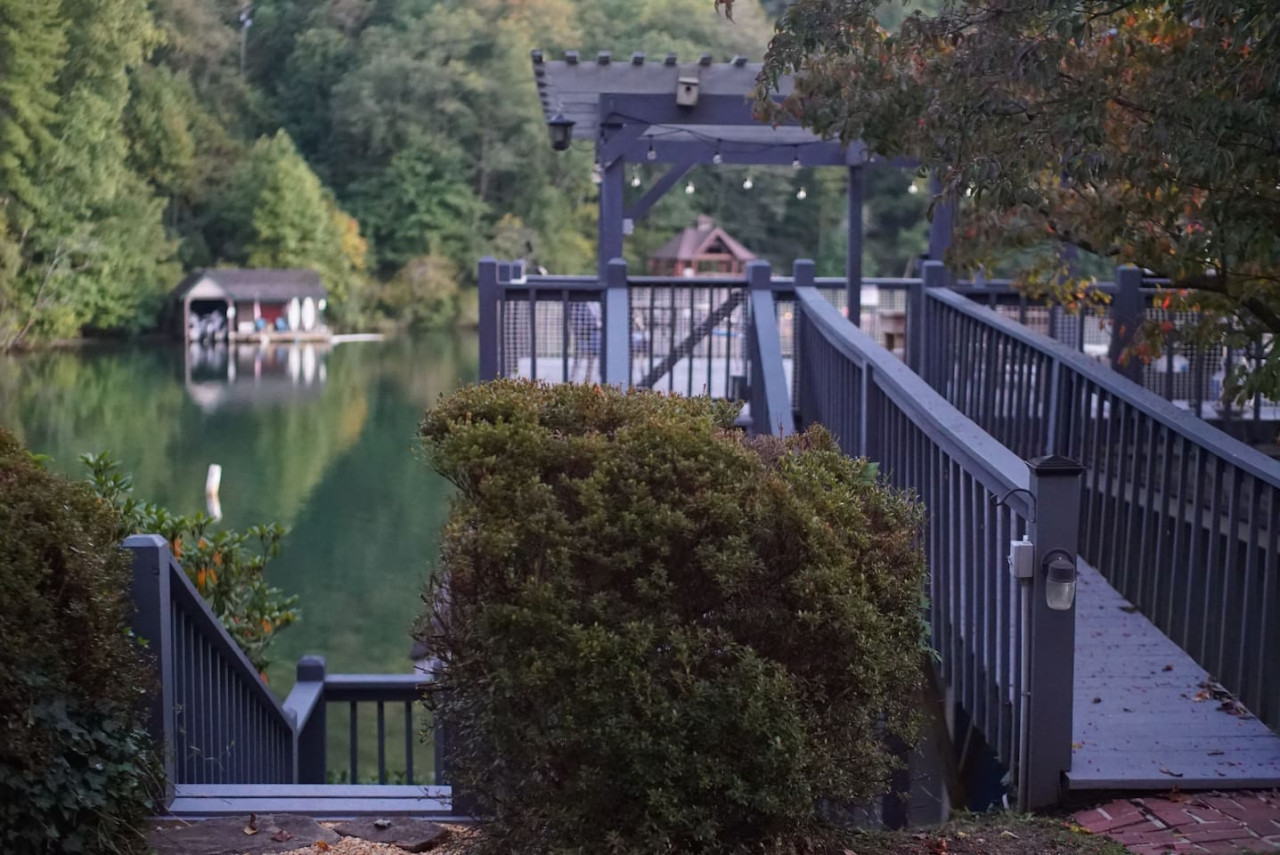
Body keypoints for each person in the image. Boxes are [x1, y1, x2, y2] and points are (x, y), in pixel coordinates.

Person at [569, 300, 601, 383]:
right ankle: (572, 378)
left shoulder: (597, 302)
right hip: (582, 331)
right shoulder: (578, 302)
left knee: (592, 355)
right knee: (580, 354)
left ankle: (588, 377)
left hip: (595, 329)